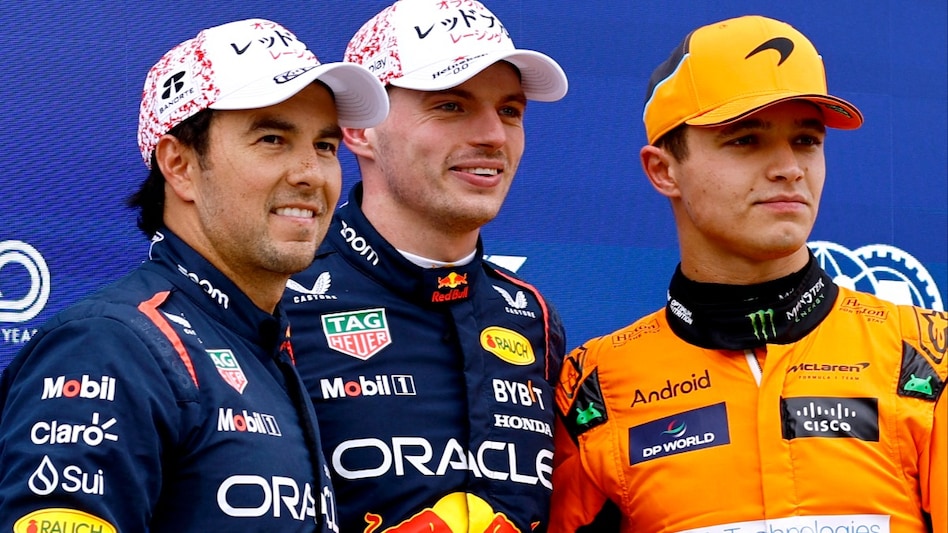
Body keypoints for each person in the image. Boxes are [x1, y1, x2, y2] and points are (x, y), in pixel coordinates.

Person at [550, 14, 946, 533]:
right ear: (663, 170)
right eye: (745, 141)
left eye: (806, 140)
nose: (789, 168)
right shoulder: (597, 386)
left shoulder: (925, 355)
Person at [0, 18, 387, 532]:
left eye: (324, 146)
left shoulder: (262, 344)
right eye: (272, 138)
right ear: (179, 165)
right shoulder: (109, 347)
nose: (311, 174)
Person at [281, 0, 568, 530]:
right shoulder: (279, 297)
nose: (494, 136)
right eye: (451, 107)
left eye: (510, 111)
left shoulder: (532, 315)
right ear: (360, 131)